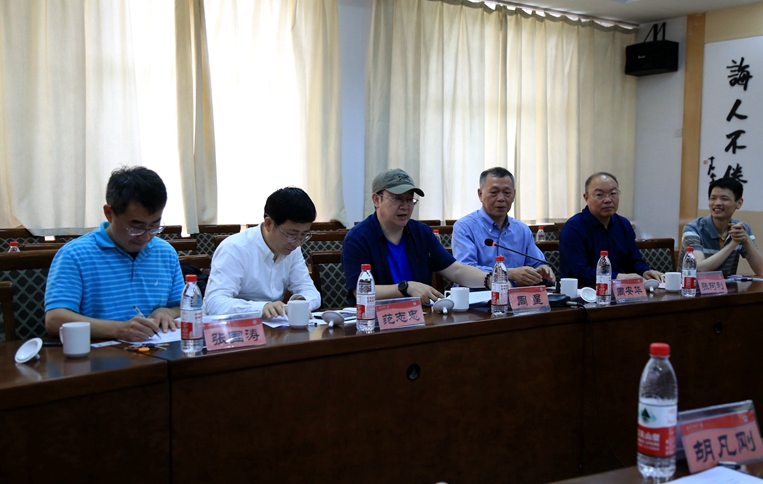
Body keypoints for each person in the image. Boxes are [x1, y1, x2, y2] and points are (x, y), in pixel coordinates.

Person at [45, 166, 184, 341]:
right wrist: (119, 330)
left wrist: (167, 312)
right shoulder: (75, 255)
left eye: (154, 226)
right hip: (98, 354)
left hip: (156, 350)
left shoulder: (165, 253)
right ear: (109, 214)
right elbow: (55, 320)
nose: (146, 236)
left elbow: (183, 306)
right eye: (135, 227)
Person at [342, 169, 490, 304]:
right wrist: (405, 288)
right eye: (397, 199)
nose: (405, 206)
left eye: (409, 199)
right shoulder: (358, 238)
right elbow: (360, 291)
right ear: (376, 200)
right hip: (376, 318)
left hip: (421, 315)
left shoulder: (421, 233)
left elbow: (456, 270)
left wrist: (490, 280)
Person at [204, 187, 321, 317]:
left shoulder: (292, 248)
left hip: (274, 326)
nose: (297, 243)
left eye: (303, 235)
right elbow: (215, 303)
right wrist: (261, 308)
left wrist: (298, 304)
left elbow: (310, 291)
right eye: (291, 234)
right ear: (268, 224)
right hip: (234, 326)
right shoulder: (234, 248)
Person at [453, 167, 554, 286]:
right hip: (477, 295)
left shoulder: (522, 230)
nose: (501, 199)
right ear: (480, 194)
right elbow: (465, 271)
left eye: (507, 193)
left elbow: (536, 263)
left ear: (514, 194)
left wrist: (542, 269)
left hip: (516, 295)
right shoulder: (464, 227)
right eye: (494, 192)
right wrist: (507, 273)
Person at [559, 172, 663, 287]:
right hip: (583, 292)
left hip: (617, 291)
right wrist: (616, 277)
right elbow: (577, 271)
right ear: (586, 198)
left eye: (613, 193)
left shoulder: (623, 224)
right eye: (600, 195)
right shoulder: (573, 228)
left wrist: (644, 271)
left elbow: (633, 261)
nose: (608, 200)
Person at [680, 177, 763, 277]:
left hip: (727, 287)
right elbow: (699, 268)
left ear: (739, 203)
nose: (717, 203)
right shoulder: (693, 229)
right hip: (691, 286)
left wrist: (746, 239)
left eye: (724, 199)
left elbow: (762, 271)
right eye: (713, 198)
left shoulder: (742, 230)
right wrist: (733, 243)